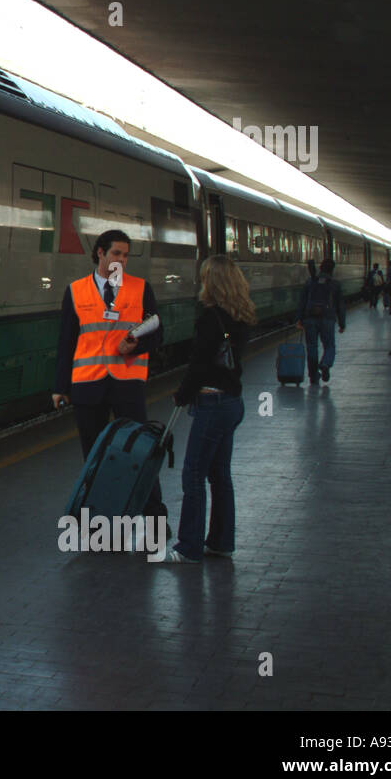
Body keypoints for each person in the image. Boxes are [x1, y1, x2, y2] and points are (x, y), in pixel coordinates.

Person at [52, 229, 167, 529]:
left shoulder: (140, 289)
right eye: (116, 254)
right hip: (87, 385)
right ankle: (100, 527)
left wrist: (136, 346)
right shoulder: (75, 291)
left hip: (127, 383)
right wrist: (60, 387)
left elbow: (158, 334)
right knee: (94, 457)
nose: (121, 261)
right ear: (100, 253)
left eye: (126, 256)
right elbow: (66, 342)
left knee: (142, 451)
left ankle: (155, 521)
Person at [165, 255, 254, 563]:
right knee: (220, 476)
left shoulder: (209, 318)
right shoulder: (240, 316)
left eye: (204, 277)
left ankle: (188, 547)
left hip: (212, 403)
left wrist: (182, 394)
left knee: (193, 474)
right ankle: (220, 541)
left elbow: (199, 366)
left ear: (212, 282)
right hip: (232, 402)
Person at [295, 257, 345, 384]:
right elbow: (340, 305)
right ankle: (326, 364)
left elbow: (302, 301)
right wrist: (342, 323)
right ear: (332, 270)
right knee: (329, 345)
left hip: (310, 318)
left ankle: (313, 375)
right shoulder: (335, 284)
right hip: (328, 318)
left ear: (320, 268)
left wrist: (299, 319)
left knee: (312, 346)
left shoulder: (310, 282)